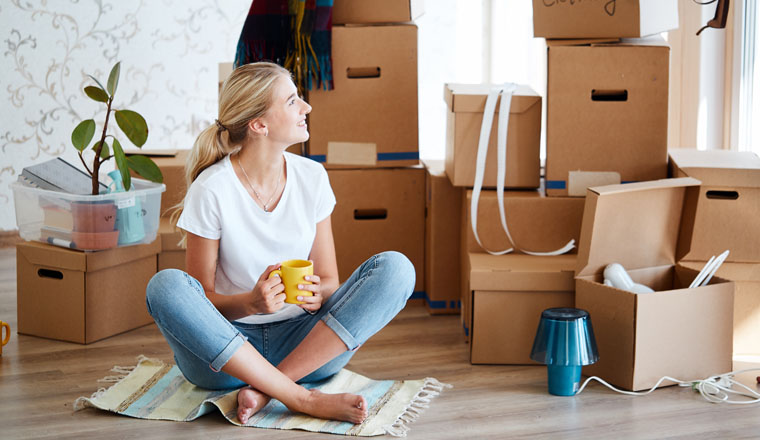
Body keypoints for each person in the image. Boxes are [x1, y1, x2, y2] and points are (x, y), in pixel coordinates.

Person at [145, 62, 415, 425]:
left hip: (305, 346)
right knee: (165, 286)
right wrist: (250, 302)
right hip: (226, 354)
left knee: (397, 269)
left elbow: (330, 279)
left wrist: (319, 294)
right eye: (292, 101)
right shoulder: (212, 189)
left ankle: (269, 387)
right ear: (259, 124)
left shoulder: (312, 177)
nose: (306, 107)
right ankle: (300, 396)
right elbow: (199, 299)